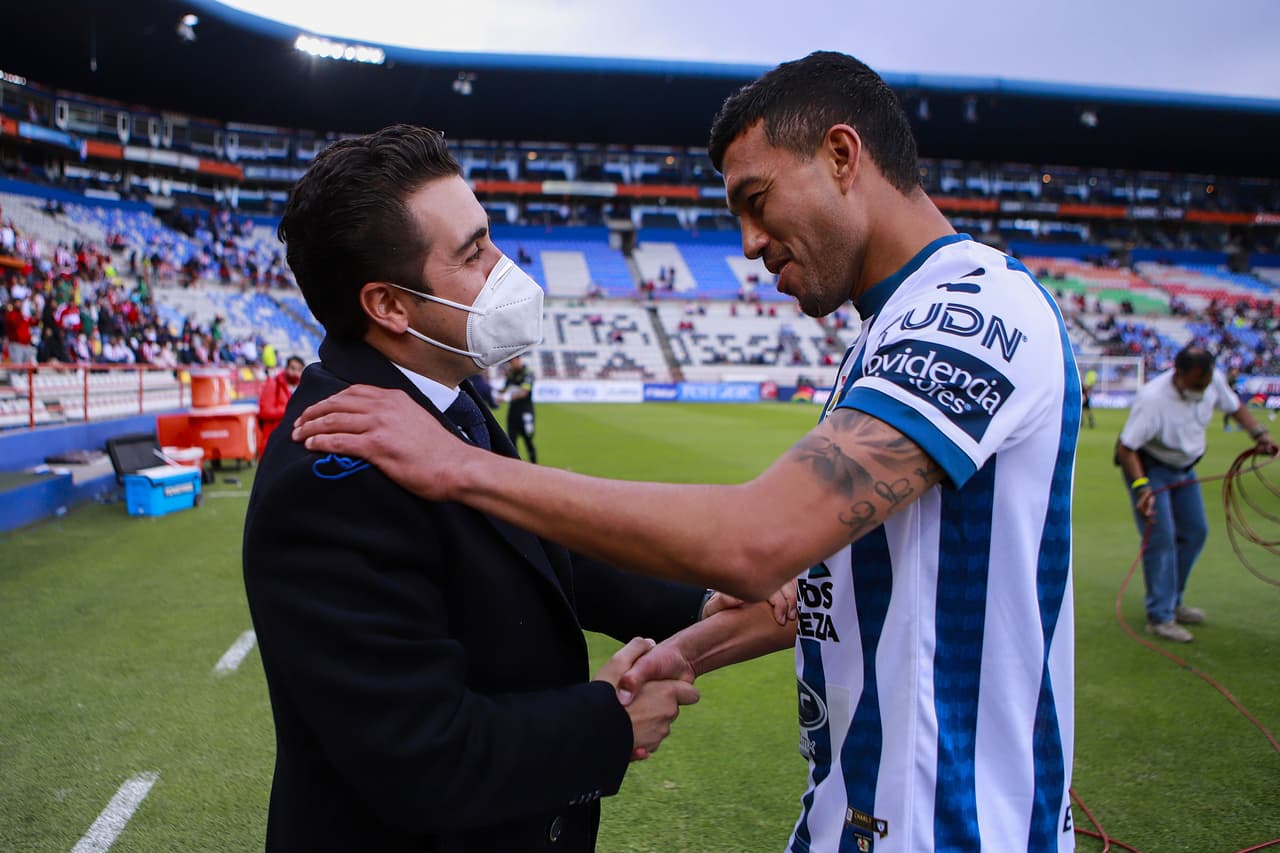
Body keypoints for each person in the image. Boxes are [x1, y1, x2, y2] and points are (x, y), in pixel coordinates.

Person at [294, 52, 1082, 852]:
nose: (749, 243)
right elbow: (826, 585)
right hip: (856, 810)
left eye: (756, 200)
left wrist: (463, 468)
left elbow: (759, 542)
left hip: (950, 826)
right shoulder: (893, 328)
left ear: (843, 156)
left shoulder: (973, 318)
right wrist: (688, 648)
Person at [241, 124, 742, 852]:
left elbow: (540, 549)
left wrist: (700, 599)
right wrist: (608, 721)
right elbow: (420, 754)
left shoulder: (443, 394)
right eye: (473, 252)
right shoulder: (331, 474)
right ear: (389, 305)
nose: (505, 266)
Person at [1115, 345, 1277, 643]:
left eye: (1205, 383)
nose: (1202, 390)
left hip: (1185, 467)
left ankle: (1173, 601)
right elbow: (1127, 448)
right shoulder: (1152, 398)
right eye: (1196, 383)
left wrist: (1259, 434)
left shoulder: (1213, 380)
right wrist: (1142, 488)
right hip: (1150, 468)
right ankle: (1160, 616)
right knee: (1161, 537)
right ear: (1178, 373)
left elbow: (1235, 407)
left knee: (1195, 532)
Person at [256, 354, 304, 452]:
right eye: (293, 368)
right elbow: (264, 411)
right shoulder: (273, 384)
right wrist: (291, 410)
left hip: (291, 441)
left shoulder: (302, 387)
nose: (295, 373)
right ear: (286, 368)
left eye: (299, 370)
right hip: (273, 441)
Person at [502, 353, 537, 462]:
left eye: (511, 362)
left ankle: (534, 465)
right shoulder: (510, 374)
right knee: (511, 443)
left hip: (525, 412)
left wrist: (507, 397)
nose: (510, 364)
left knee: (528, 441)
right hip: (513, 413)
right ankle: (515, 466)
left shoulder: (528, 373)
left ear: (518, 359)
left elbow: (524, 392)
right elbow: (504, 390)